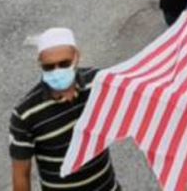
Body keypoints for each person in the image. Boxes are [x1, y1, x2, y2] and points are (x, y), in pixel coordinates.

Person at [10, 28, 121, 191]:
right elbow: (21, 173)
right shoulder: (25, 114)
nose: (57, 71)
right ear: (39, 64)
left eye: (64, 64)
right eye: (49, 67)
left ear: (77, 56)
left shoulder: (98, 84)